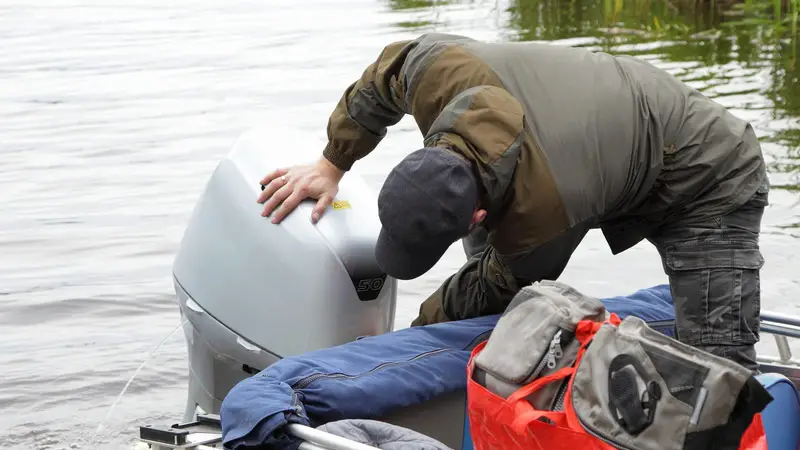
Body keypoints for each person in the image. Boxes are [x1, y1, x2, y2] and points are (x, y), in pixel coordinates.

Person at [256, 33, 769, 371]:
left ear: (476, 215)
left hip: (708, 177)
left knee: (717, 366)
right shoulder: (435, 70)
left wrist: (405, 344)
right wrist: (332, 164)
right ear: (428, 148)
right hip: (600, 141)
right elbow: (381, 78)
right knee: (488, 315)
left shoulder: (543, 212)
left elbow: (495, 286)